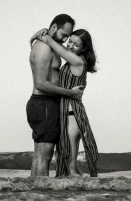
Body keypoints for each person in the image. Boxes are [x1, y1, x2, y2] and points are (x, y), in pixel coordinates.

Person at [30, 27, 98, 177]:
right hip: (69, 114)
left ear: (84, 48)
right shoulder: (75, 59)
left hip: (72, 116)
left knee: (71, 168)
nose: (70, 46)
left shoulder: (77, 60)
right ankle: (83, 193)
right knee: (70, 167)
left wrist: (41, 35)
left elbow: (52, 44)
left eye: (76, 45)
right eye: (69, 42)